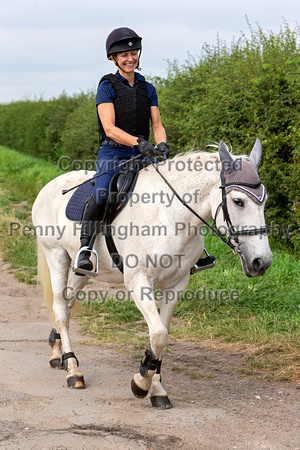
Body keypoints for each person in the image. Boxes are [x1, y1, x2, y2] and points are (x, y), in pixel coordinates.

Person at [75, 27, 169, 274]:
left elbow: (157, 125)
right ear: (113, 58)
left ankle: (190, 252)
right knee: (103, 193)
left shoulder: (148, 89)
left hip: (143, 154)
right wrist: (139, 143)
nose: (130, 58)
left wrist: (162, 145)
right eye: (124, 55)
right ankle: (85, 249)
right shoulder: (107, 85)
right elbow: (109, 128)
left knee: (169, 190)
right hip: (113, 152)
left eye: (133, 53)